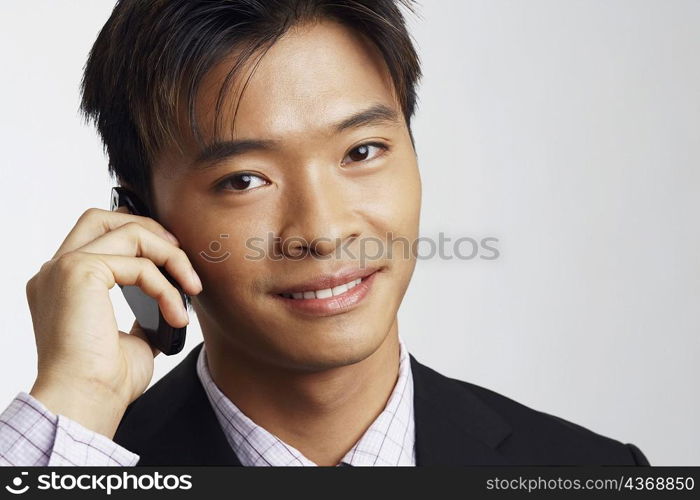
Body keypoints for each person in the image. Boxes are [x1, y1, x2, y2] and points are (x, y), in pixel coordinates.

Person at [0, 0, 649, 466]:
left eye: (363, 152)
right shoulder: (85, 461)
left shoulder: (593, 471)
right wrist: (79, 402)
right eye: (244, 180)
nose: (325, 230)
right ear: (144, 223)